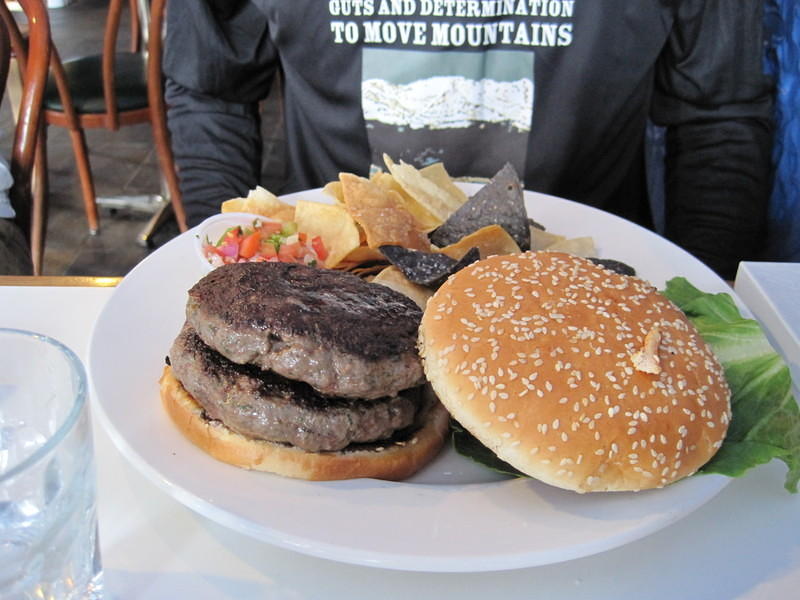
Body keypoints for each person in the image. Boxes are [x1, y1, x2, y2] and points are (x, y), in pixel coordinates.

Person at [163, 0, 774, 281]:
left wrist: (700, 296)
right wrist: (228, 284)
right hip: (327, 293)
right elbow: (211, 86)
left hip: (587, 293)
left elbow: (720, 112)